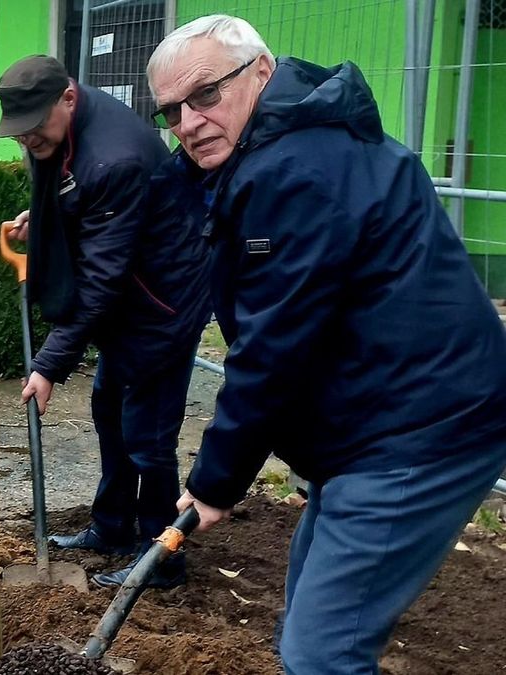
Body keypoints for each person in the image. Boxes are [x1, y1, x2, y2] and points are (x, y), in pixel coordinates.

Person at [148, 15, 506, 674]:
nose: (188, 121)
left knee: (322, 651)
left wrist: (213, 482)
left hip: (423, 429)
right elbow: (174, 186)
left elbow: (271, 349)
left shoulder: (295, 171)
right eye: (171, 111)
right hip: (388, 415)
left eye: (203, 96)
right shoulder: (283, 136)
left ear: (260, 71)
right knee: (308, 615)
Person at [0, 55, 211, 588]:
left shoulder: (115, 158)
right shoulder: (68, 131)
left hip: (161, 306)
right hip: (131, 301)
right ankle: (111, 527)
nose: (28, 142)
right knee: (109, 408)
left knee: (147, 434)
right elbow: (75, 196)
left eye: (34, 130)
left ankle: (159, 558)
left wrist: (48, 364)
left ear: (67, 98)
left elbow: (100, 281)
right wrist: (42, 218)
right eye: (18, 135)